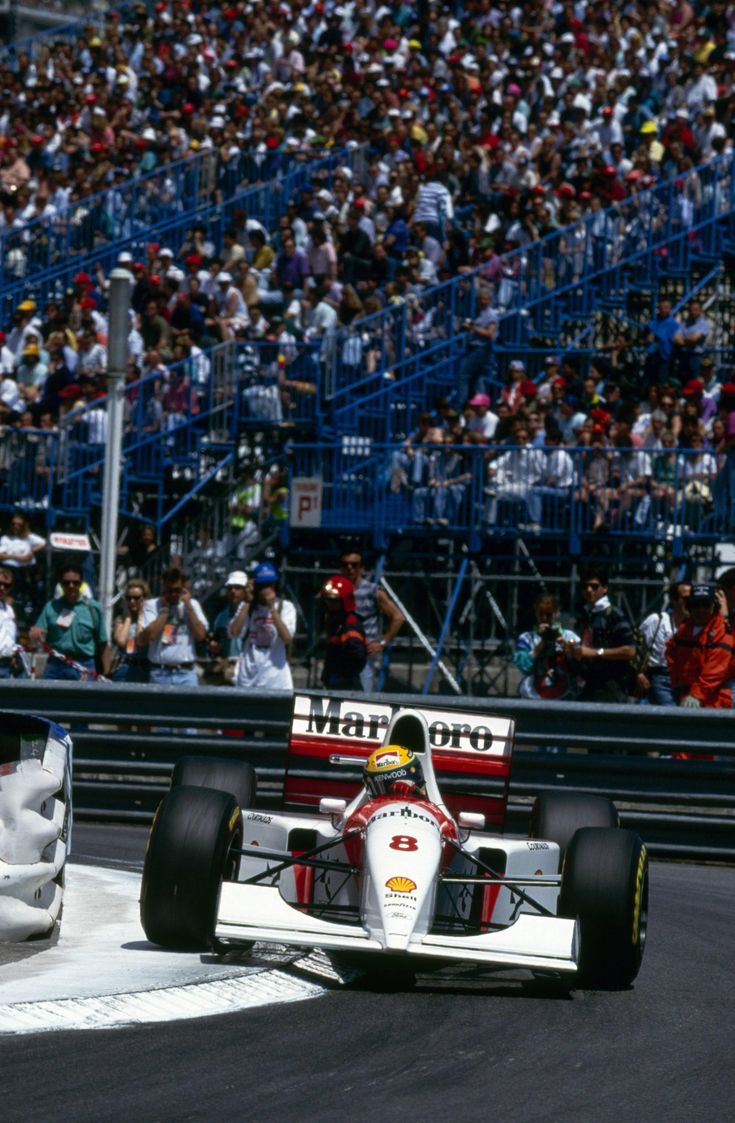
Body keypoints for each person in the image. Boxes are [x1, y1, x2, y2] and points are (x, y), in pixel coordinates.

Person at [563, 567, 636, 703]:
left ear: (605, 588)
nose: (589, 590)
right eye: (585, 586)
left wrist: (595, 652)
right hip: (588, 686)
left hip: (612, 688)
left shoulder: (614, 614)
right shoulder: (584, 616)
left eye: (594, 586)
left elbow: (630, 651)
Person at [29, 562, 110, 681]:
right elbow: (37, 632)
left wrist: (106, 672)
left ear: (81, 583)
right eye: (66, 583)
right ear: (60, 584)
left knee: (85, 694)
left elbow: (103, 642)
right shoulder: (50, 607)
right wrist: (34, 633)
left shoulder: (93, 608)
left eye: (76, 583)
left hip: (84, 665)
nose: (71, 586)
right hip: (56, 665)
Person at [339, 547, 405, 691]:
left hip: (364, 652)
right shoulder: (336, 590)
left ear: (361, 568)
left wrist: (382, 642)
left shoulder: (373, 590)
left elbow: (398, 617)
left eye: (354, 565)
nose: (349, 568)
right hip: (341, 651)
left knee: (363, 694)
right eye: (345, 565)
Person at [229, 562, 296, 691]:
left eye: (270, 585)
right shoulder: (247, 607)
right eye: (262, 585)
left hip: (276, 678)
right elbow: (234, 633)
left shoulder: (285, 606)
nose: (267, 589)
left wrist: (272, 609)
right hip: (249, 677)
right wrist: (248, 601)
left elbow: (287, 638)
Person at [138, 566, 208, 688]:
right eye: (169, 590)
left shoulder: (192, 605)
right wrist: (164, 610)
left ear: (183, 588)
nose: (173, 594)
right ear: (163, 587)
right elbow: (151, 635)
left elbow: (201, 635)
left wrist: (188, 607)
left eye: (177, 590)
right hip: (160, 673)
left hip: (186, 673)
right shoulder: (152, 605)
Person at [666, 583, 733, 709]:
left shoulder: (722, 632)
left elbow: (715, 671)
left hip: (715, 700)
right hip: (686, 696)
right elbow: (671, 650)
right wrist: (676, 680)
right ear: (690, 607)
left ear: (713, 607)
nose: (701, 609)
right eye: (696, 605)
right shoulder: (684, 629)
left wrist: (696, 695)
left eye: (705, 605)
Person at [513, 593, 580, 701]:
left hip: (563, 697)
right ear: (536, 613)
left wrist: (566, 648)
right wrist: (541, 643)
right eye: (541, 614)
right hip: (531, 697)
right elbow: (524, 666)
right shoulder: (526, 638)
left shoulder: (570, 636)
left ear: (556, 613)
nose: (544, 618)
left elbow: (579, 666)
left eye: (548, 614)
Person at [634, 581, 692, 706]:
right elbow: (636, 646)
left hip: (686, 679)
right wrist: (639, 673)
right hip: (661, 677)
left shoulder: (695, 625)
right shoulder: (657, 620)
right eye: (686, 599)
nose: (690, 603)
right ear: (674, 600)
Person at [319, 575, 368, 691]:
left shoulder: (350, 625)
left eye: (333, 600)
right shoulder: (336, 622)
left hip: (346, 688)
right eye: (327, 599)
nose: (329, 604)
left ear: (345, 601)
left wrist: (343, 676)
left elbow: (358, 655)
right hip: (333, 683)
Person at [208, 570, 248, 686]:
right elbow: (215, 648)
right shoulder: (221, 617)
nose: (233, 591)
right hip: (227, 669)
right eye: (230, 588)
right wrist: (213, 648)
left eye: (238, 588)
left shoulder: (252, 615)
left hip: (247, 668)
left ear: (245, 590)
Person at [111, 578, 151, 683]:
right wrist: (128, 618)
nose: (132, 601)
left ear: (144, 598)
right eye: (129, 598)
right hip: (125, 666)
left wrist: (140, 615)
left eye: (136, 598)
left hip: (145, 667)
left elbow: (140, 639)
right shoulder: (121, 619)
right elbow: (121, 641)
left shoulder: (149, 619)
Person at [0, 566, 25, 679]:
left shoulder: (9, 610)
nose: (2, 588)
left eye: (6, 585)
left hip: (7, 665)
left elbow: (10, 637)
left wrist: (13, 655)